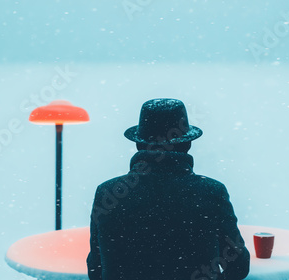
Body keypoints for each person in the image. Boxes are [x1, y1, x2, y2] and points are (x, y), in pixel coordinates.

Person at [87, 98, 250, 280]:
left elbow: (95, 268)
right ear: (187, 144)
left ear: (139, 145)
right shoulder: (212, 192)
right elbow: (238, 264)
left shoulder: (108, 193)